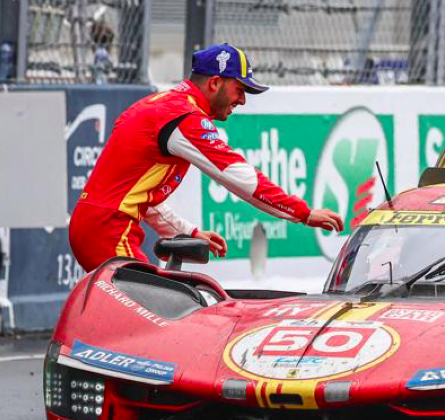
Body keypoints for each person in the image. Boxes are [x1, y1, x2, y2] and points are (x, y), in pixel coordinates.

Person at [69, 43, 343, 271]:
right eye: (240, 90)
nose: (243, 101)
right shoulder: (183, 116)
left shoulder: (163, 105)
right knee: (149, 320)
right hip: (109, 231)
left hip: (97, 227)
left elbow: (141, 196)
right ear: (215, 83)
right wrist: (303, 214)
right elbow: (241, 179)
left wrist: (188, 231)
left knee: (141, 316)